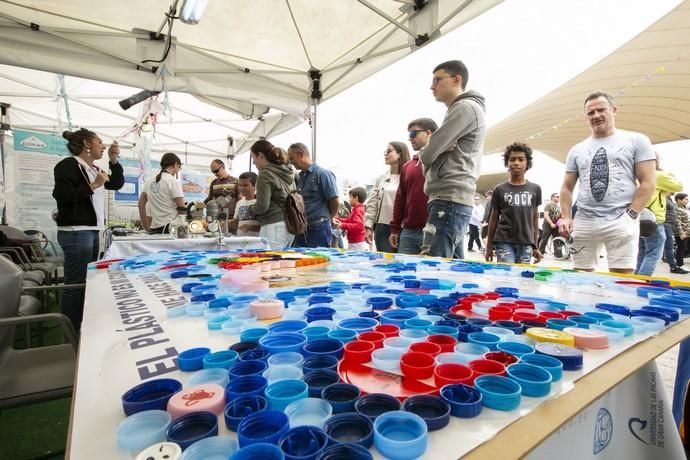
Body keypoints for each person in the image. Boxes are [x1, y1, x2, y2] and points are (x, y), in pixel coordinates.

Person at [559, 91, 656, 273]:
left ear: (613, 110)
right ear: (586, 117)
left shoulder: (637, 141)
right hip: (584, 221)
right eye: (590, 113)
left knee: (622, 279)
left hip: (621, 218)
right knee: (580, 277)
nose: (596, 115)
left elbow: (648, 182)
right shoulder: (576, 150)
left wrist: (631, 215)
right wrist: (566, 216)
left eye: (601, 110)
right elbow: (566, 187)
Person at [53, 128, 124, 331]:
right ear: (86, 144)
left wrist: (114, 160)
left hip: (91, 231)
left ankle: (82, 325)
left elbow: (116, 183)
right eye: (99, 142)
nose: (103, 146)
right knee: (75, 284)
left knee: (86, 280)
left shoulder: (93, 168)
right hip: (76, 231)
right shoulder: (68, 165)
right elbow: (62, 195)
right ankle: (70, 331)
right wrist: (93, 185)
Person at [421, 60, 486, 259]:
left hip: (449, 199)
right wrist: (435, 147)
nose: (432, 86)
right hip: (450, 198)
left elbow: (427, 154)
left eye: (437, 80)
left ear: (457, 79)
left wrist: (432, 147)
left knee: (434, 266)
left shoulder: (465, 108)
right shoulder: (463, 109)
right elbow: (431, 151)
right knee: (452, 268)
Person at [485, 143, 543, 264]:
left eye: (521, 159)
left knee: (521, 278)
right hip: (503, 241)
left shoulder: (535, 189)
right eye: (512, 159)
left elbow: (534, 219)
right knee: (506, 274)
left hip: (526, 242)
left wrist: (535, 246)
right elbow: (493, 219)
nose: (516, 163)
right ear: (507, 163)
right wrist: (489, 246)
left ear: (527, 163)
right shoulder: (499, 189)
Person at [389, 118, 437, 255]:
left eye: (413, 134)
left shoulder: (444, 161)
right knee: (403, 274)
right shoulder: (408, 166)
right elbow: (400, 199)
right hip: (408, 232)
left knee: (432, 275)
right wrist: (395, 228)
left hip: (435, 231)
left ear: (429, 133)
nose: (410, 139)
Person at [635, 155, 683, 276]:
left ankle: (634, 280)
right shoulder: (656, 175)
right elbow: (678, 186)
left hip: (639, 219)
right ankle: (641, 281)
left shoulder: (636, 175)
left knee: (642, 252)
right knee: (653, 254)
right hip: (654, 221)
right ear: (654, 161)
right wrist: (664, 172)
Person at [287, 142, 339, 248]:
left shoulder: (323, 174)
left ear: (301, 154)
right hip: (302, 228)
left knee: (318, 261)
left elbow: (334, 201)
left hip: (319, 227)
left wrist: (329, 218)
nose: (291, 163)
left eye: (292, 158)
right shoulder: (300, 177)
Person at [364, 141, 410, 253]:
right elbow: (372, 203)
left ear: (399, 154)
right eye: (385, 151)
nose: (385, 154)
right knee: (384, 264)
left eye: (389, 151)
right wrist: (368, 227)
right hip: (382, 228)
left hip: (404, 228)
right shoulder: (381, 179)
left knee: (403, 264)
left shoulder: (410, 177)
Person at [249, 140, 295, 249]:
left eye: (253, 157)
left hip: (273, 226)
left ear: (260, 155)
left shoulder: (265, 174)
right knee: (284, 263)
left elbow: (262, 207)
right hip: (290, 225)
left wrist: (250, 208)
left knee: (269, 262)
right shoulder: (288, 172)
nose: (253, 162)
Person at [138, 153, 186, 233]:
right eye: (179, 167)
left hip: (154, 228)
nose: (178, 170)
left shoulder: (149, 181)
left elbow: (140, 205)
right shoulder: (173, 181)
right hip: (170, 228)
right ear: (175, 164)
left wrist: (145, 226)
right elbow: (182, 209)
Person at [334, 187, 368, 251]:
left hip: (357, 243)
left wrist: (342, 225)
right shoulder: (356, 209)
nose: (349, 200)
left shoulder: (358, 210)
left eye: (350, 197)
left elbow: (359, 225)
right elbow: (349, 221)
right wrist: (338, 219)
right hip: (354, 242)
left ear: (356, 198)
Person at [232, 171, 260, 237]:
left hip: (256, 241)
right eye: (240, 185)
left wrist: (250, 227)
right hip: (240, 240)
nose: (241, 188)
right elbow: (235, 223)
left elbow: (265, 225)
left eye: (245, 185)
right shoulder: (239, 203)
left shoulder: (260, 202)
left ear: (254, 186)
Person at [675, 193, 690, 270]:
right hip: (682, 233)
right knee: (681, 248)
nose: (687, 201)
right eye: (686, 199)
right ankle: (680, 265)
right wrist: (681, 233)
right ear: (679, 200)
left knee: (684, 248)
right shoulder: (677, 209)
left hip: (687, 233)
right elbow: (678, 223)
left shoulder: (685, 208)